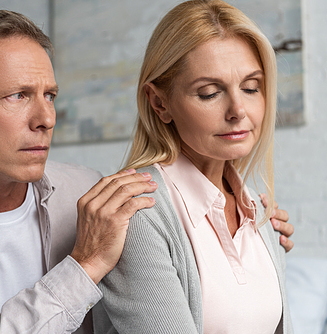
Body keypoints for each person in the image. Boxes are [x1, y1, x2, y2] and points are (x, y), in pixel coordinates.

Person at [0, 8, 292, 334]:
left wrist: (248, 236)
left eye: (50, 95)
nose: (46, 118)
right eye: (18, 95)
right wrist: (83, 267)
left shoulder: (93, 191)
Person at [93, 1, 293, 333]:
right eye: (210, 93)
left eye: (251, 87)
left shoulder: (259, 212)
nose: (238, 110)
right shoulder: (137, 214)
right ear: (160, 103)